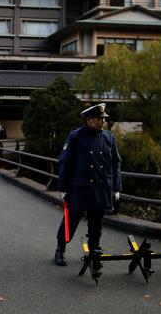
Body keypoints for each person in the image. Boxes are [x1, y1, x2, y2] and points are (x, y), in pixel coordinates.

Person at [53, 103, 121, 268]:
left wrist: (116, 187)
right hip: (79, 188)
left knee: (96, 224)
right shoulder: (75, 136)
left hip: (101, 187)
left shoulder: (109, 137)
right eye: (100, 119)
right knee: (70, 221)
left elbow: (115, 163)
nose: (103, 122)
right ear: (89, 120)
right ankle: (60, 249)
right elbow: (65, 162)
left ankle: (93, 251)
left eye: (104, 119)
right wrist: (63, 187)